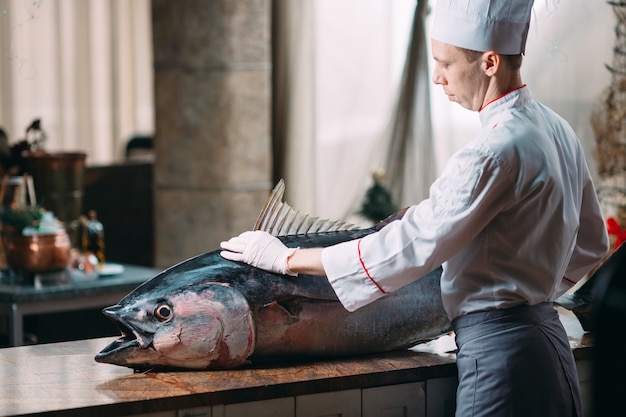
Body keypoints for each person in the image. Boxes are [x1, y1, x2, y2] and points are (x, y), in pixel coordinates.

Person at [220, 0, 610, 416]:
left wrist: (287, 258)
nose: (438, 77)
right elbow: (591, 242)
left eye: (445, 63)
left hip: (501, 355)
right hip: (548, 346)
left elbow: (412, 244)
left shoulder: (492, 151)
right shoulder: (555, 128)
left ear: (490, 62)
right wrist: (533, 291)